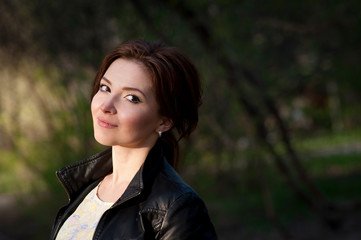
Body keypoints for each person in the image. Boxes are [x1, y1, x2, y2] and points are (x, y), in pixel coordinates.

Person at [50, 39, 217, 240]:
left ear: (165, 121)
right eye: (105, 88)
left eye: (132, 98)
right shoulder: (88, 188)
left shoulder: (177, 209)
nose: (106, 106)